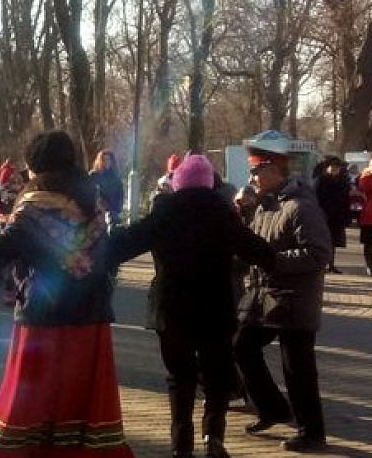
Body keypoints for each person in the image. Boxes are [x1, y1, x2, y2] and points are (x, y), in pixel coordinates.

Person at [0, 130, 134, 458]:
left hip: (42, 318)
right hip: (90, 319)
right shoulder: (94, 201)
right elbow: (110, 252)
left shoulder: (34, 205)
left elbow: (1, 248)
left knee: (30, 401)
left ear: (37, 165)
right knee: (82, 400)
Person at [109, 154, 275, 458]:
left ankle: (181, 446)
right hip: (215, 308)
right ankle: (214, 438)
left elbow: (125, 244)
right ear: (210, 183)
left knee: (180, 379)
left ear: (177, 182)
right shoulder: (223, 213)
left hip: (171, 310)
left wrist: (90, 254)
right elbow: (259, 251)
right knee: (216, 377)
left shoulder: (164, 212)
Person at [235, 145, 331, 452]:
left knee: (298, 369)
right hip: (265, 296)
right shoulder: (265, 205)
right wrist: (244, 213)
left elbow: (318, 254)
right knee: (242, 346)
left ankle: (312, 433)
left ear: (276, 170)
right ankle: (273, 408)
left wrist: (273, 260)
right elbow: (254, 244)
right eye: (251, 171)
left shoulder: (302, 206)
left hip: (295, 299)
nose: (252, 177)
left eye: (257, 170)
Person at [314, 156, 351, 274]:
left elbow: (346, 200)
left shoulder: (343, 181)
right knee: (324, 241)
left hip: (337, 216)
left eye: (337, 167)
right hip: (323, 214)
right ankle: (323, 264)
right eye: (333, 167)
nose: (335, 169)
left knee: (334, 242)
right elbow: (316, 198)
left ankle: (331, 264)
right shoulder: (321, 180)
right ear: (328, 168)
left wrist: (346, 216)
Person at [90, 150, 125, 227]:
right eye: (104, 159)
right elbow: (88, 192)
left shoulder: (116, 177)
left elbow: (120, 194)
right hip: (96, 212)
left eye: (109, 159)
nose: (107, 162)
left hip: (112, 211)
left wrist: (117, 209)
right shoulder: (94, 175)